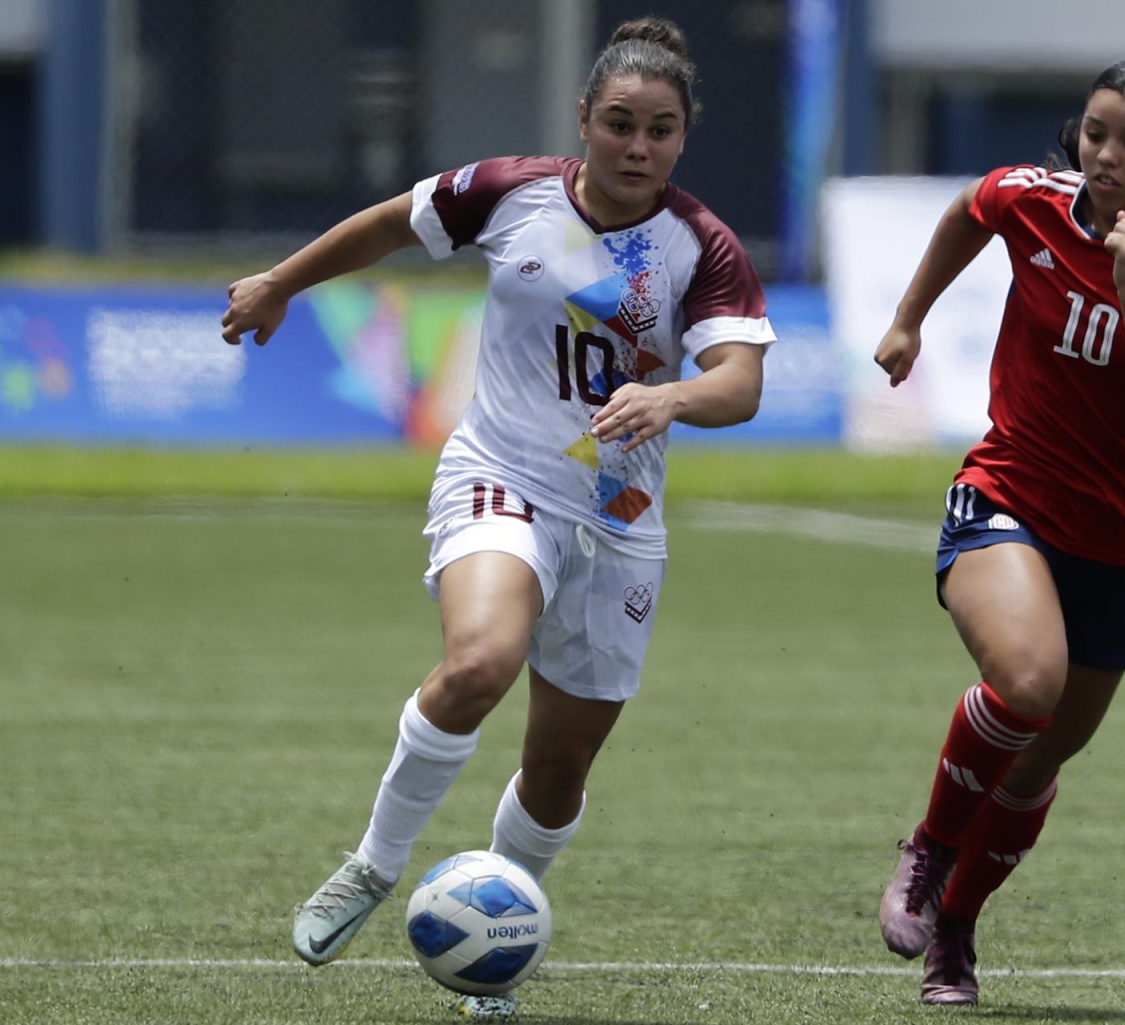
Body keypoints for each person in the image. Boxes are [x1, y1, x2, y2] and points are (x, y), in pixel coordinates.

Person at [220, 17, 775, 1019]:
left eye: (659, 130)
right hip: (503, 474)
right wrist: (280, 283)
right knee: (481, 661)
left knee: (558, 766)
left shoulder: (702, 246)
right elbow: (390, 222)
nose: (638, 148)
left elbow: (739, 382)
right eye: (619, 125)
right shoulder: (509, 190)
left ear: (683, 136)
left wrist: (672, 397)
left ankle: (497, 950)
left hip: (621, 516)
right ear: (583, 120)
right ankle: (372, 864)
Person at [872, 58, 1125, 1006]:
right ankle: (927, 849)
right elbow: (969, 209)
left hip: (1124, 536)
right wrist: (909, 318)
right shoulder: (1033, 199)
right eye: (1094, 134)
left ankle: (955, 924)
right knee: (1027, 682)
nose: (1106, 156)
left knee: (1042, 755)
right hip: (1010, 493)